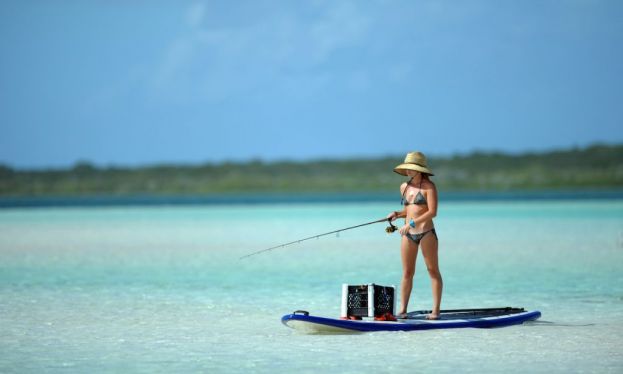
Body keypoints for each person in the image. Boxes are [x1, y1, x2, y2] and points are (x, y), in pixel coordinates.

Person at [387, 151, 442, 320]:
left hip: (426, 233)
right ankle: (402, 309)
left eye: (412, 168)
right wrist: (397, 213)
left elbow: (432, 212)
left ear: (420, 169)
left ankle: (436, 311)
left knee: (432, 271)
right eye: (407, 168)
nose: (408, 171)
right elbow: (410, 210)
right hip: (408, 234)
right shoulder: (404, 187)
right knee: (407, 273)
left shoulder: (429, 187)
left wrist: (411, 223)